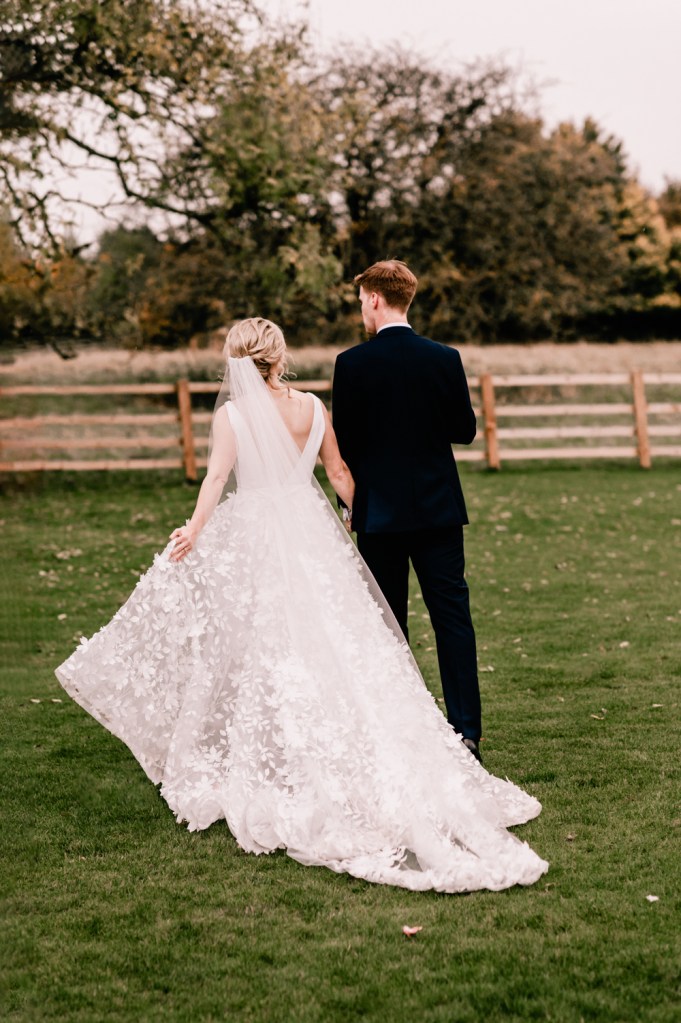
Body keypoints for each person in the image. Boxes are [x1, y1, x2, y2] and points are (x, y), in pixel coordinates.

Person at [56, 317, 547, 893]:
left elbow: (217, 478)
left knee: (266, 642)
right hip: (311, 534)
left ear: (237, 359)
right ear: (279, 355)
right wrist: (358, 518)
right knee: (332, 640)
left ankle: (281, 754)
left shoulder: (233, 415)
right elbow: (338, 472)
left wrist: (192, 530)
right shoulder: (313, 407)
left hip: (259, 533)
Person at [332, 260, 483, 761]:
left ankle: (399, 732)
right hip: (439, 510)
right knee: (452, 621)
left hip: (380, 516)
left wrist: (348, 506)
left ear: (375, 298)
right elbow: (464, 430)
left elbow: (345, 446)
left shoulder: (351, 364)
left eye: (360, 301)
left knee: (388, 622)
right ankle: (466, 733)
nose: (361, 310)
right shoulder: (444, 357)